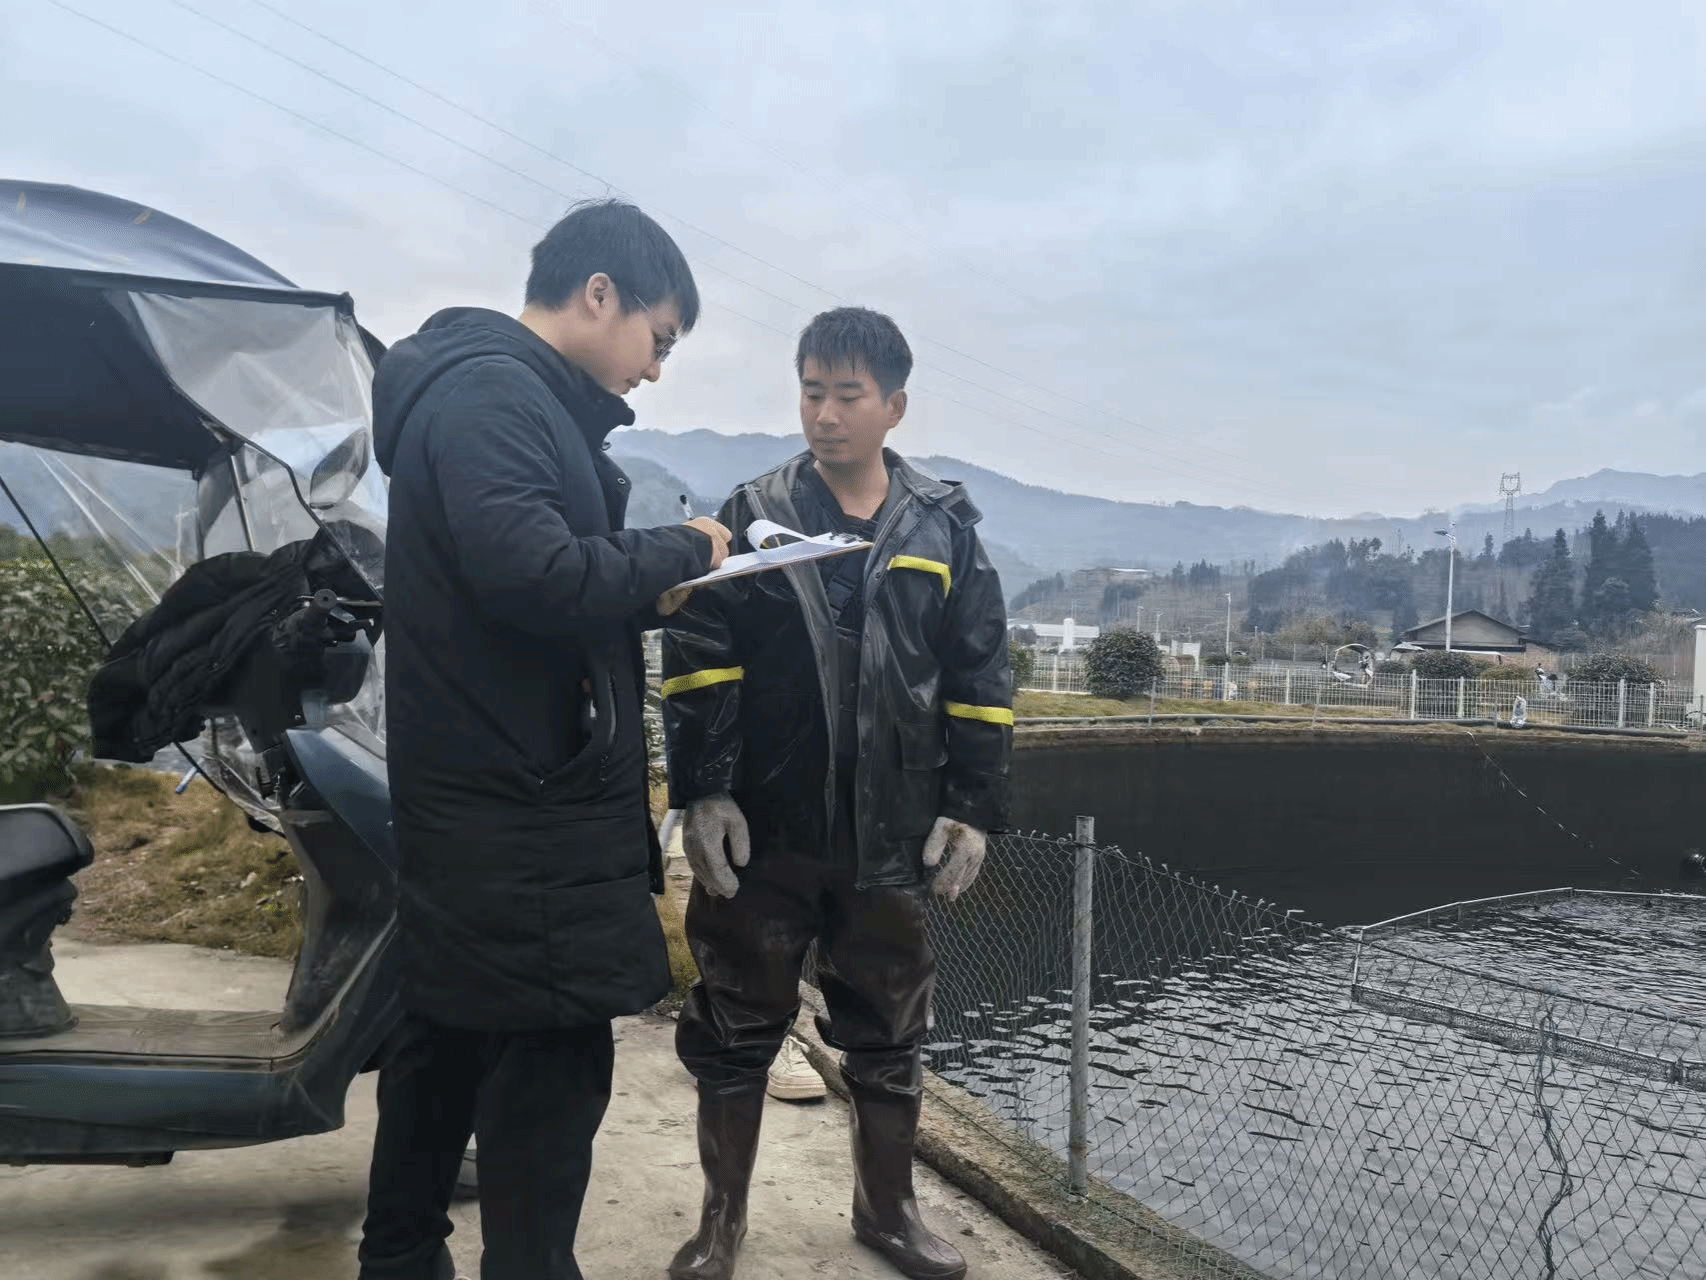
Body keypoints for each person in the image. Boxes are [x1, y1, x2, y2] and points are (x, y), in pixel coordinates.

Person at [358, 199, 732, 1280]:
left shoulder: (505, 395)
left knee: (446, 1040)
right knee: (547, 1075)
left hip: (494, 791)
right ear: (599, 293)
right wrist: (681, 551)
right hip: (520, 813)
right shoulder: (493, 393)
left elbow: (521, 588)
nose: (654, 370)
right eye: (659, 340)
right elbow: (532, 573)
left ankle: (401, 1258)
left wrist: (641, 592)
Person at [661, 307, 1012, 1280]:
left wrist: (971, 807)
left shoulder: (942, 527)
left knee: (889, 1029)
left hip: (890, 836)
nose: (824, 413)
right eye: (811, 391)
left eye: (847, 395)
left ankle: (887, 1211)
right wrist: (705, 793)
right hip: (766, 830)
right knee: (735, 1024)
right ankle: (719, 1222)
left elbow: (980, 675)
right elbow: (699, 655)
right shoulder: (754, 510)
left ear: (893, 406)